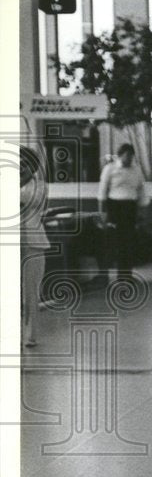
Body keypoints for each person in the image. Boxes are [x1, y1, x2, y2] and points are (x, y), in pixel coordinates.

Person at [98, 143, 148, 279]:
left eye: (131, 156)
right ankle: (110, 274)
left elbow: (141, 190)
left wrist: (142, 211)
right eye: (126, 156)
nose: (129, 159)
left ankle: (126, 274)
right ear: (120, 156)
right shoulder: (110, 168)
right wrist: (103, 213)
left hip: (130, 207)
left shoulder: (136, 170)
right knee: (115, 241)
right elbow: (102, 191)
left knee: (129, 242)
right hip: (114, 207)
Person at [20, 146, 50, 348]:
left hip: (34, 243)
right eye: (18, 164)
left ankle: (30, 335)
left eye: (25, 165)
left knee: (30, 291)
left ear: (33, 167)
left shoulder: (39, 187)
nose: (21, 168)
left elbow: (28, 201)